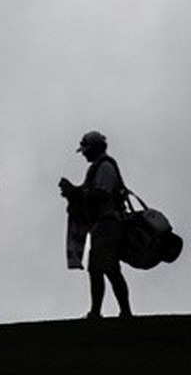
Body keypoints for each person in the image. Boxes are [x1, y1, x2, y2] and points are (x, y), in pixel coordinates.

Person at [59, 131, 133, 319]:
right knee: (102, 269)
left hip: (109, 223)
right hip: (102, 224)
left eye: (86, 150)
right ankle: (108, 311)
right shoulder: (99, 167)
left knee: (107, 269)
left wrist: (75, 193)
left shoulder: (105, 167)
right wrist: (73, 191)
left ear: (94, 149)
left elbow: (102, 195)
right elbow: (91, 192)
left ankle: (110, 312)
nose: (84, 154)